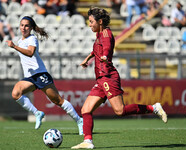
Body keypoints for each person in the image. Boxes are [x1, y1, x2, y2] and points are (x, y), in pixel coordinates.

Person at [71, 7, 167, 149]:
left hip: (108, 77)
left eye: (91, 21)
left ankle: (153, 108)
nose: (89, 24)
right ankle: (88, 142)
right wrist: (88, 59)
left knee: (120, 111)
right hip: (101, 79)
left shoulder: (106, 34)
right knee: (86, 109)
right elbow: (95, 49)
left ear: (100, 21)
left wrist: (105, 56)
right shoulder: (99, 34)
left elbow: (108, 47)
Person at [6, 16, 83, 135]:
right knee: (16, 93)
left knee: (58, 101)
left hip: (40, 74)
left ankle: (79, 121)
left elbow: (31, 53)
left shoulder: (32, 39)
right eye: (22, 25)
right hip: (30, 77)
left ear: (31, 28)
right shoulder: (21, 41)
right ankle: (37, 113)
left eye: (26, 25)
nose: (24, 28)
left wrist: (14, 47)